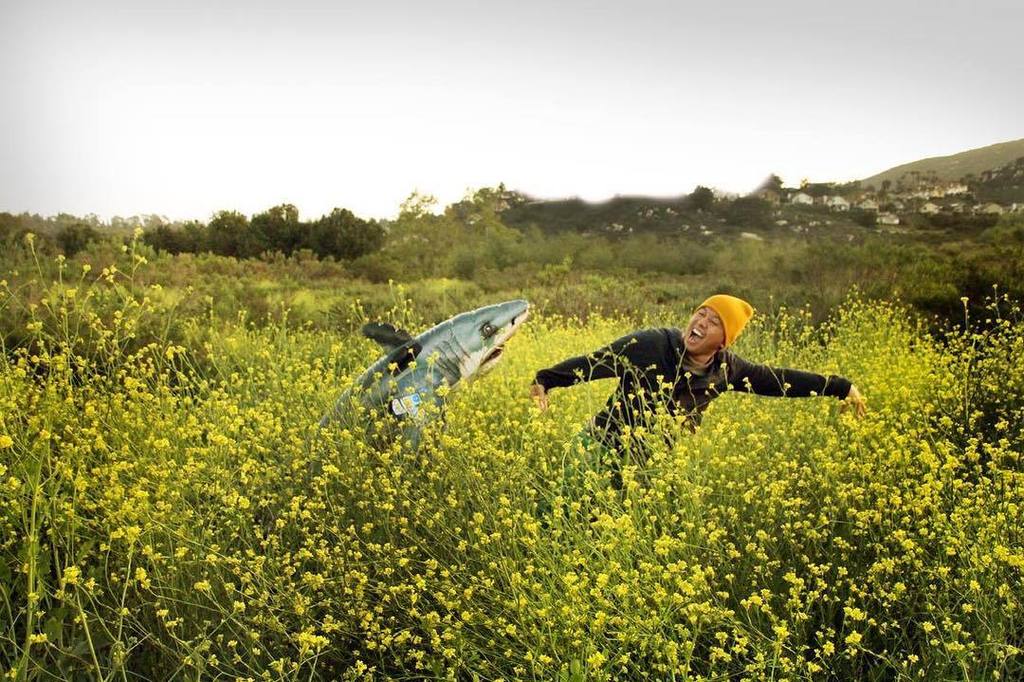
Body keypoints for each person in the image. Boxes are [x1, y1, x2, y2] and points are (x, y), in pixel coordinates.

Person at [530, 294, 867, 489]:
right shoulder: (652, 344)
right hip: (598, 446)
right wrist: (544, 380)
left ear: (724, 340)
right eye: (700, 313)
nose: (701, 322)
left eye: (715, 321)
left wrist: (841, 387)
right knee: (559, 518)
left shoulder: (728, 369)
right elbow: (593, 363)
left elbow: (778, 380)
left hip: (644, 465)